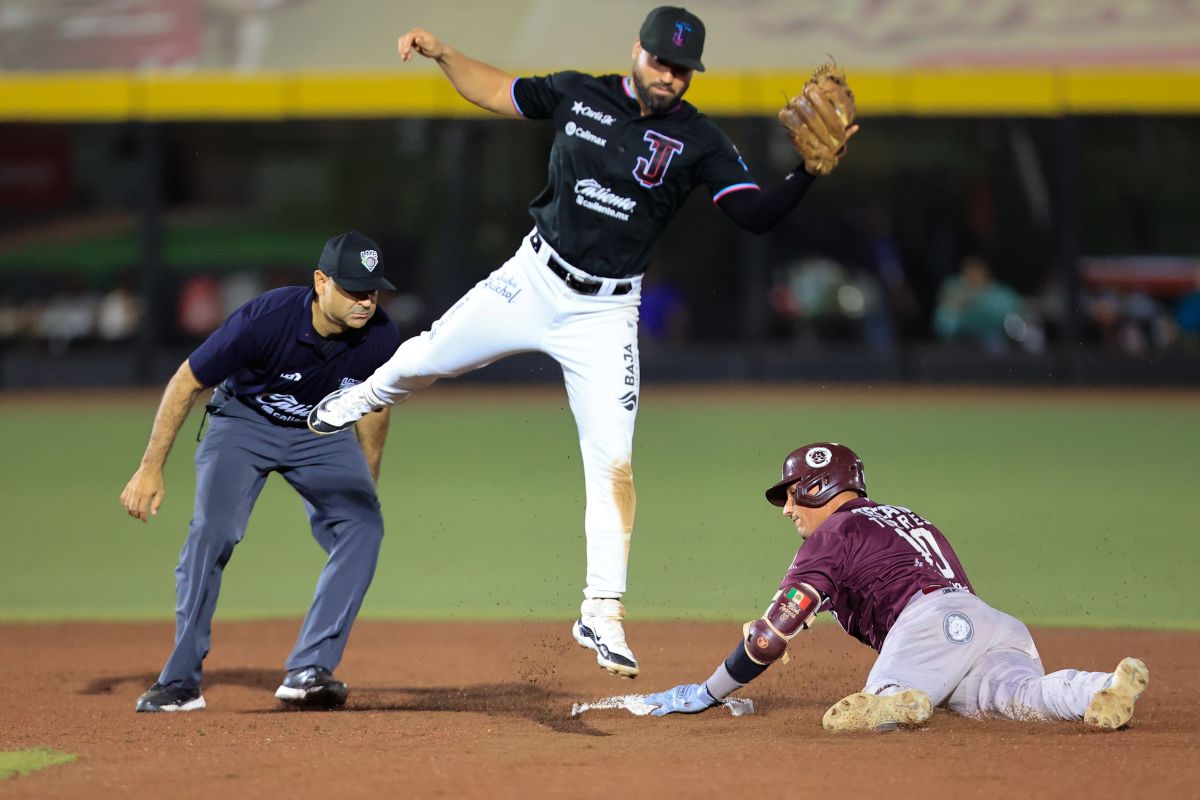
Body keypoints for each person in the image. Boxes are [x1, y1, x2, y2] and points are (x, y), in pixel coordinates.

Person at [307, 6, 857, 679]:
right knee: (424, 358)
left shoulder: (700, 140)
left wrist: (803, 176)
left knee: (613, 464)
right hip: (533, 278)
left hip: (605, 314)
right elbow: (497, 91)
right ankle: (349, 399)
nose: (670, 77)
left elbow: (753, 215)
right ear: (637, 52)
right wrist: (444, 53)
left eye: (682, 69)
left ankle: (602, 610)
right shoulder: (579, 92)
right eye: (661, 62)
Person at [643, 443, 1150, 731]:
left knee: (868, 713)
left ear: (820, 488)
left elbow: (768, 640)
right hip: (986, 623)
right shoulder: (903, 516)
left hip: (927, 625)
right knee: (1019, 695)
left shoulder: (832, 533)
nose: (788, 509)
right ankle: (1099, 688)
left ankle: (896, 697)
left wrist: (710, 691)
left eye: (793, 495)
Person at [120, 231, 402, 712]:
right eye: (353, 289)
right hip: (244, 422)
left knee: (364, 525)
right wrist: (150, 468)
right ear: (320, 282)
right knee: (212, 531)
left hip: (321, 430)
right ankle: (180, 681)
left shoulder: (380, 336)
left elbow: (375, 406)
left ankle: (309, 668)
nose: (365, 300)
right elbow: (187, 381)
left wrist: (365, 482)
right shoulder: (266, 319)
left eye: (372, 289)